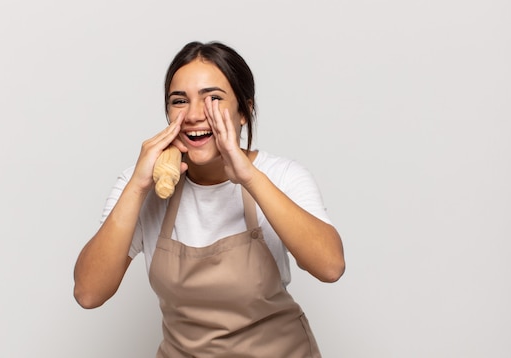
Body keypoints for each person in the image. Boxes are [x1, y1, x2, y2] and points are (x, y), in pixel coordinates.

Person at [73, 41, 345, 357]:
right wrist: (136, 187)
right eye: (179, 101)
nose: (193, 115)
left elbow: (330, 267)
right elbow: (88, 293)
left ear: (244, 111)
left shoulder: (283, 175)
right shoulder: (143, 186)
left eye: (213, 98)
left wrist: (248, 176)